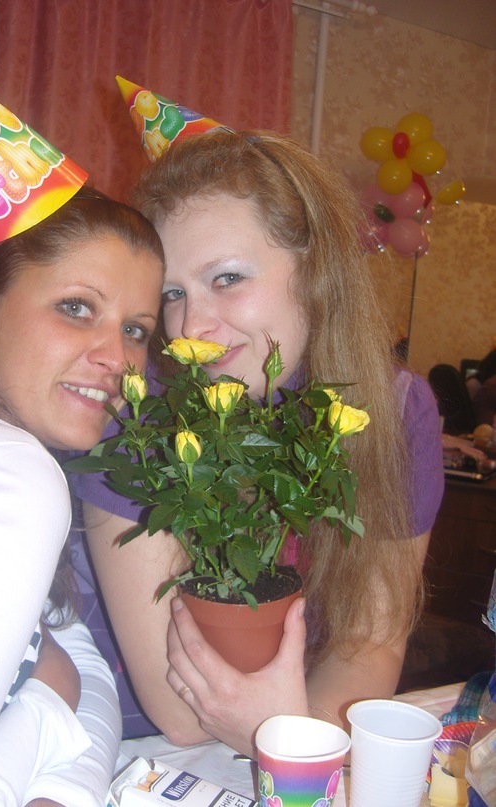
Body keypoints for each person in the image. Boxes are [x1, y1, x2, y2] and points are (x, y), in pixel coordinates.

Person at [67, 130, 444, 757]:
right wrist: (287, 735)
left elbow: (369, 644)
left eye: (228, 278)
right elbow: (183, 713)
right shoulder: (133, 413)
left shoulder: (395, 414)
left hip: (290, 734)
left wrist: (294, 733)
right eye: (172, 293)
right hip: (127, 755)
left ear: (317, 271)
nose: (191, 326)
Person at [0, 186, 164, 804]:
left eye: (135, 330)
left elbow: (78, 656)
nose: (118, 358)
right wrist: (49, 704)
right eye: (76, 307)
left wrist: (64, 789)